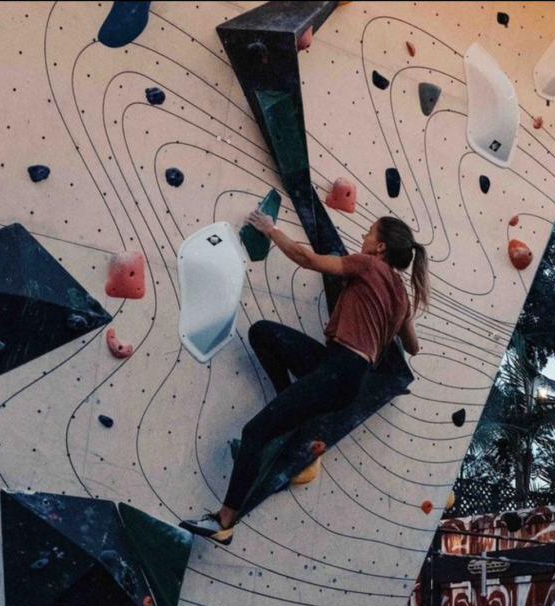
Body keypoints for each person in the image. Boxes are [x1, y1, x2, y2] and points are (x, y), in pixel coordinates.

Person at [181, 212, 429, 544]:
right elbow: (412, 347)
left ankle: (224, 521)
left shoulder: (368, 265)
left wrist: (271, 230)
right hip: (342, 373)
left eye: (370, 233)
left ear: (380, 247)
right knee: (264, 333)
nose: (365, 237)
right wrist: (386, 320)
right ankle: (288, 400)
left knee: (254, 433)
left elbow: (307, 259)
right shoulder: (401, 296)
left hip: (338, 371)